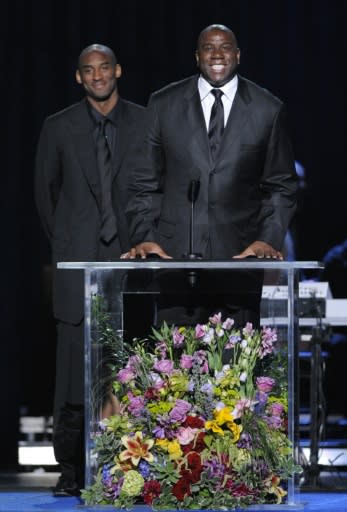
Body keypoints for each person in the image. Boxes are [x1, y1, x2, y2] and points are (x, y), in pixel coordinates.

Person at [124, 24, 298, 327]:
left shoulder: (267, 109)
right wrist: (145, 237)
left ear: (238, 55)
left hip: (240, 262)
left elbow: (281, 187)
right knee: (176, 369)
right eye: (208, 47)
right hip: (174, 262)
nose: (217, 54)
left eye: (225, 47)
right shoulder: (163, 104)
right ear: (197, 56)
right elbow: (143, 183)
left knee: (235, 370)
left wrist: (266, 240)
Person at [34, 44, 146, 497]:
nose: (98, 76)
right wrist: (70, 244)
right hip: (76, 265)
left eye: (105, 68)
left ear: (117, 70)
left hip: (131, 267)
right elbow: (45, 199)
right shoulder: (58, 127)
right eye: (88, 71)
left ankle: (139, 466)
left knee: (131, 371)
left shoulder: (144, 122)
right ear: (78, 78)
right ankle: (70, 469)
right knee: (73, 377)